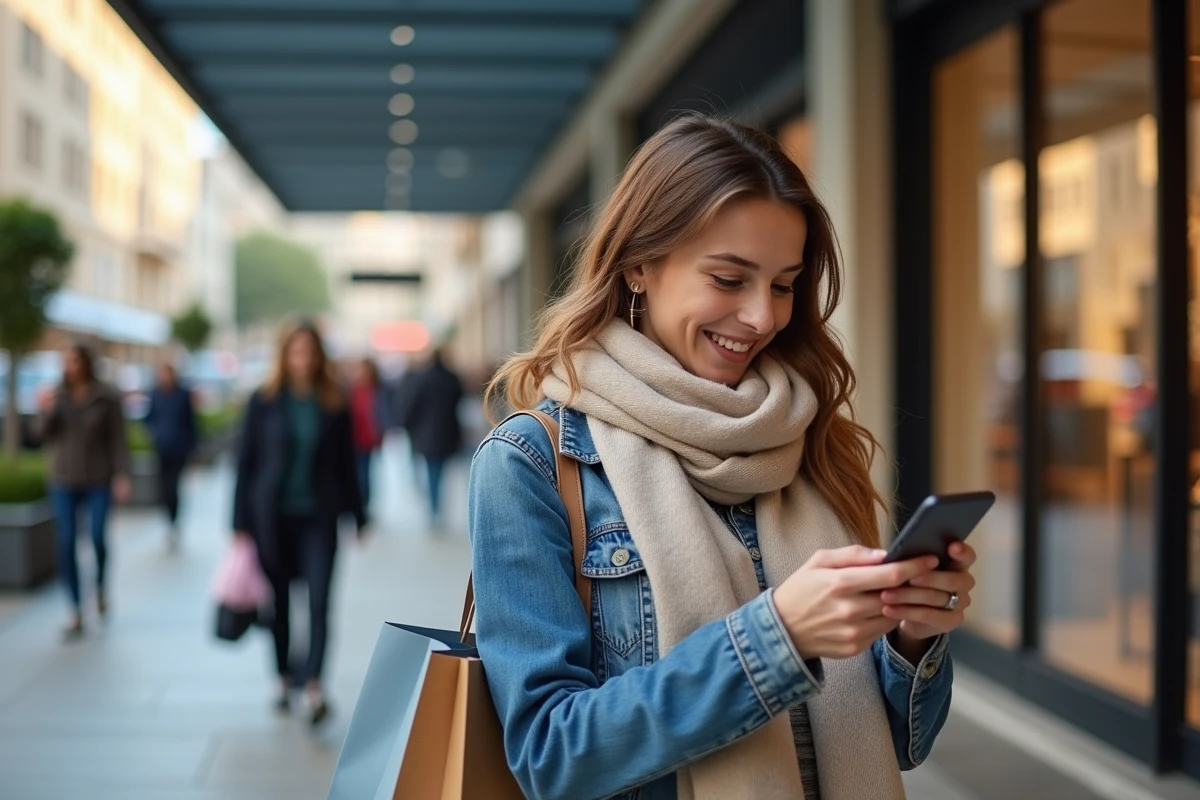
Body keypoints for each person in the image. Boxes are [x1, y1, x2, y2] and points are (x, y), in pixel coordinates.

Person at [469, 114, 976, 799]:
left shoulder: (811, 443)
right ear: (639, 266)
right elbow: (551, 756)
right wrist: (777, 635)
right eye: (730, 278)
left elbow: (898, 746)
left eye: (784, 283)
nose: (764, 317)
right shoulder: (531, 464)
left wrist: (912, 639)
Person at [232, 320, 366, 726]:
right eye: (296, 351)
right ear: (284, 355)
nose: (303, 360)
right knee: (280, 603)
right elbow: (246, 463)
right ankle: (284, 675)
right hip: (272, 518)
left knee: (321, 601)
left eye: (309, 352)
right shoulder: (264, 400)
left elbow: (348, 464)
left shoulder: (334, 401)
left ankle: (313, 684)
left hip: (320, 518)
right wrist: (238, 523)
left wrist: (359, 514)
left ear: (319, 357)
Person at [36, 343, 131, 640]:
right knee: (66, 543)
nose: (71, 365)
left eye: (75, 359)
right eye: (66, 360)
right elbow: (40, 434)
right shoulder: (57, 395)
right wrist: (46, 410)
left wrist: (122, 475)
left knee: (99, 537)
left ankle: (100, 587)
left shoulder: (106, 395)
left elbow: (118, 437)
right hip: (63, 478)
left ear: (86, 362)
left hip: (98, 477)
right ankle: (75, 609)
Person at [399, 348, 464, 529]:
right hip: (447, 432)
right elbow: (459, 399)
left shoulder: (423, 379)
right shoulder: (451, 378)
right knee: (440, 472)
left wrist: (408, 424)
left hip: (427, 434)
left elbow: (413, 405)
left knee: (432, 471)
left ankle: (434, 510)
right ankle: (436, 508)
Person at [144, 362, 198, 550]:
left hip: (179, 449)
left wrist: (193, 447)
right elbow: (148, 418)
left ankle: (174, 519)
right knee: (164, 487)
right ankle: (168, 517)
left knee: (174, 486)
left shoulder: (182, 394)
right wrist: (154, 433)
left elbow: (191, 421)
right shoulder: (154, 394)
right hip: (161, 448)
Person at [349, 358, 388, 509]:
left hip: (370, 438)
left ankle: (365, 501)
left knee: (366, 473)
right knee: (359, 473)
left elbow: (383, 411)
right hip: (355, 438)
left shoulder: (378, 389)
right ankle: (361, 500)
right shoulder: (352, 389)